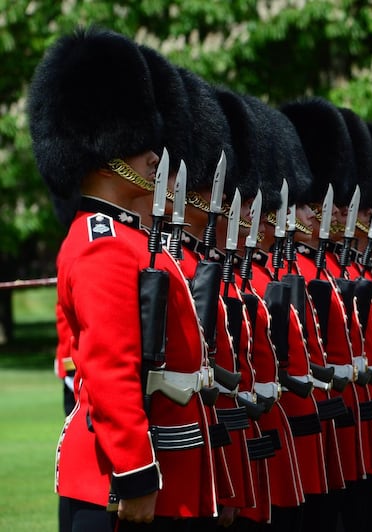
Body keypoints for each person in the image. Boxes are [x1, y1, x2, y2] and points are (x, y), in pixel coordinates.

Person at [29, 28, 216, 530]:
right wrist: (135, 475)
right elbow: (111, 364)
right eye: (140, 148)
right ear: (108, 154)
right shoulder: (104, 243)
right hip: (115, 480)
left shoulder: (131, 239)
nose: (155, 158)